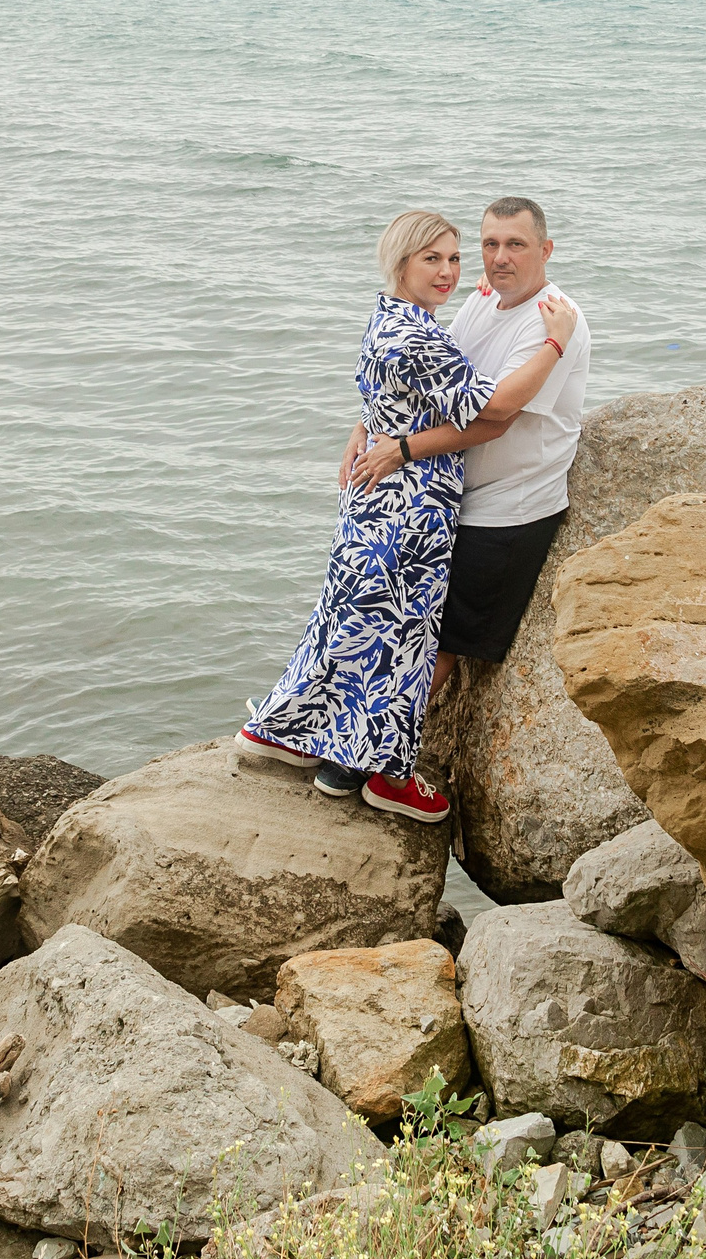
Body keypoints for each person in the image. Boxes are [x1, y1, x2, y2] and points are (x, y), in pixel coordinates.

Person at [237, 209, 578, 824]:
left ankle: (280, 729)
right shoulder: (420, 333)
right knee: (407, 640)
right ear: (401, 262)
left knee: (348, 619)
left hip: (384, 499)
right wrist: (554, 342)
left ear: (544, 249)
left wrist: (375, 424)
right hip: (412, 505)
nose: (454, 270)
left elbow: (394, 389)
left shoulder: (393, 318)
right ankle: (381, 775)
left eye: (454, 258)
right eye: (436, 258)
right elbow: (493, 409)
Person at [345, 196, 589, 700]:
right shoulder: (480, 298)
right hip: (447, 503)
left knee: (442, 647)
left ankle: (378, 773)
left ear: (545, 249)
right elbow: (425, 381)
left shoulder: (556, 320)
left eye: (516, 245)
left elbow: (494, 417)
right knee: (397, 631)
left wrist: (403, 449)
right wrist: (365, 425)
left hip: (506, 511)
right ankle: (350, 754)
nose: (500, 258)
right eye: (489, 245)